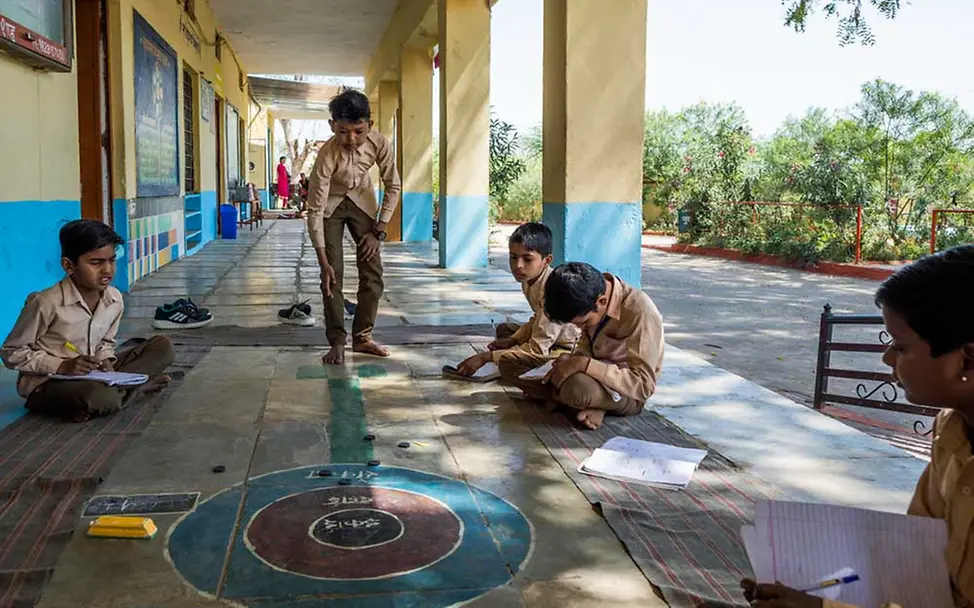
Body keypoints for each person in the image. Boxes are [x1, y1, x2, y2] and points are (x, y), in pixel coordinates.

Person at [740, 245, 974, 608]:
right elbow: (917, 560)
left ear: (968, 358)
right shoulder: (952, 430)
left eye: (901, 347)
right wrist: (819, 591)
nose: (888, 358)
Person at [0, 220, 176, 422]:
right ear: (68, 265)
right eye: (96, 263)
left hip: (93, 375)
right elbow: (11, 352)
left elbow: (106, 342)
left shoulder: (114, 299)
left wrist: (106, 360)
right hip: (48, 383)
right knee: (98, 396)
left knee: (163, 347)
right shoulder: (46, 302)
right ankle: (136, 390)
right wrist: (62, 366)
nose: (107, 270)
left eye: (112, 260)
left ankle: (112, 394)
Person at [306, 87, 400, 365]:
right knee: (332, 276)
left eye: (359, 131)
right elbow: (314, 209)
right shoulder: (326, 154)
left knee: (373, 273)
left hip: (362, 201)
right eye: (343, 130)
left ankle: (362, 337)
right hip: (330, 206)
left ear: (369, 125)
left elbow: (393, 185)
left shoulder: (379, 142)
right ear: (332, 125)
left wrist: (378, 231)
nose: (351, 139)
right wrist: (323, 262)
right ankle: (336, 341)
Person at [540, 262, 664, 430]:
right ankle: (583, 404)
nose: (580, 329)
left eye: (583, 323)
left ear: (602, 301)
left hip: (624, 391)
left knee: (577, 389)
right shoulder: (590, 295)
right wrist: (573, 359)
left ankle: (578, 401)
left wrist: (583, 364)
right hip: (592, 376)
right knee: (511, 364)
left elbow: (643, 385)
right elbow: (585, 345)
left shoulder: (640, 312)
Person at [455, 223, 579, 385]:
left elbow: (537, 349)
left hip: (566, 347)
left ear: (547, 260)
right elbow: (538, 318)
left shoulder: (553, 290)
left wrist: (487, 356)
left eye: (527, 259)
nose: (518, 265)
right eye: (513, 257)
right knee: (504, 331)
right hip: (549, 336)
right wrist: (513, 340)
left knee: (513, 362)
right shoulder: (529, 280)